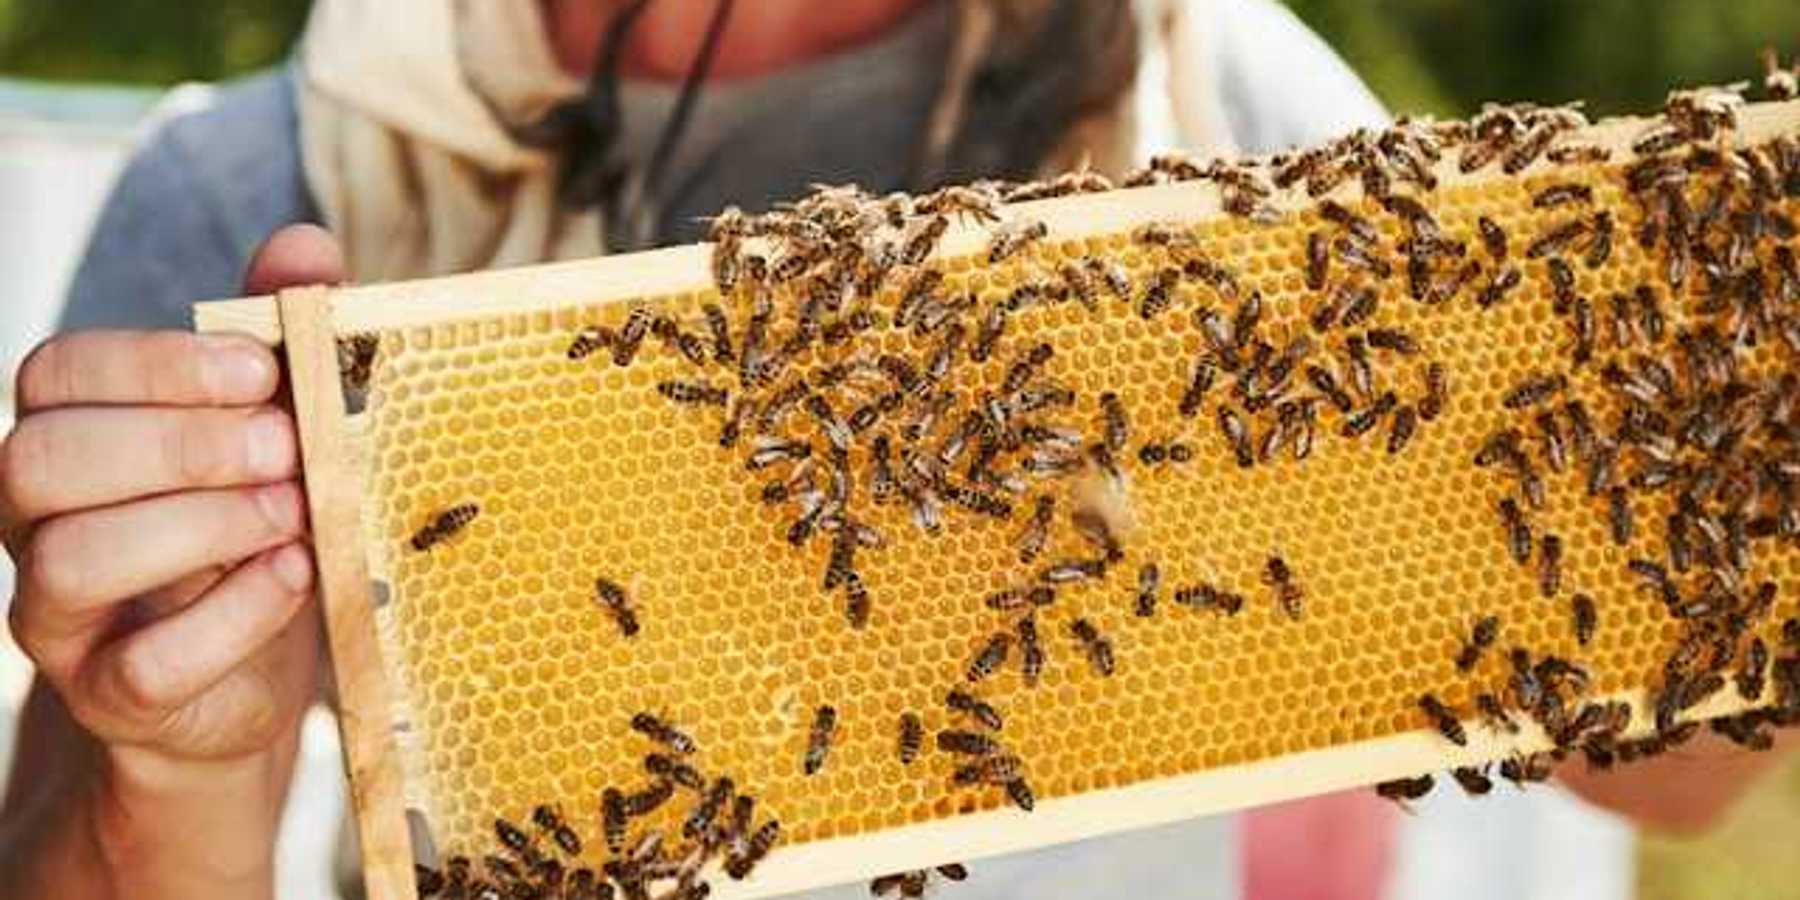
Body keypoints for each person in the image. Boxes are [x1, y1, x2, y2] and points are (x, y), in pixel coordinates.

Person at [0, 1, 1787, 898]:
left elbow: (1684, 767)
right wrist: (170, 763)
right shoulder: (263, 192)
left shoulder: (1214, 89)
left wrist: (1748, 453)